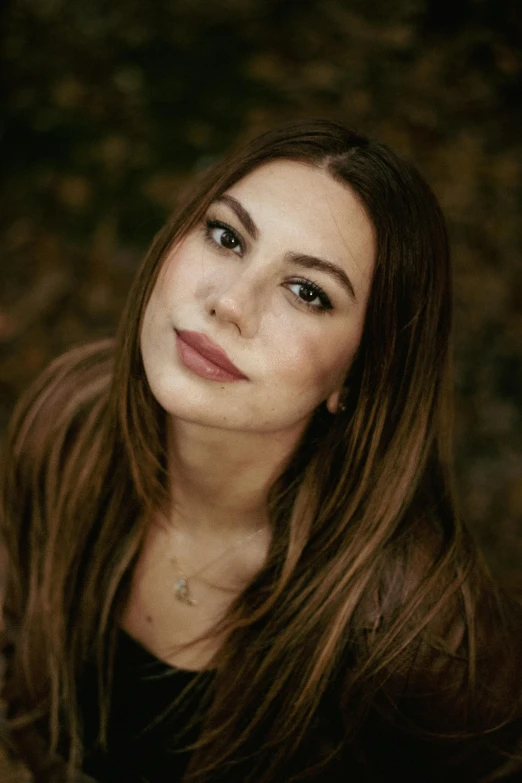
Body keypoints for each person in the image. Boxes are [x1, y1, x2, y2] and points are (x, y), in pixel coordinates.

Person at [1, 119, 521, 783]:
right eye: (226, 236)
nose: (230, 302)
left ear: (356, 376)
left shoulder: (421, 637)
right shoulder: (67, 421)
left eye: (307, 291)